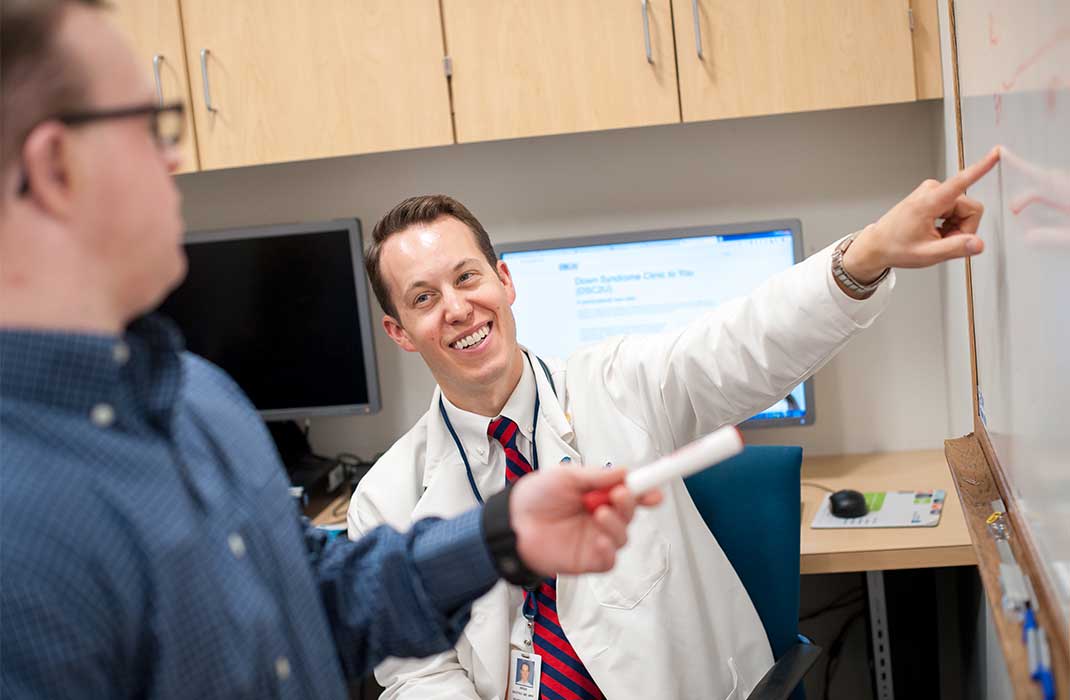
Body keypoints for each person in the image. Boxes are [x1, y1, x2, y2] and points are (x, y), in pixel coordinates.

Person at [0, 2, 661, 698]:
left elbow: (310, 595)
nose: (173, 157)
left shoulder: (203, 400)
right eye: (147, 126)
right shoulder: (19, 521)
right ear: (54, 167)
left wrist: (501, 535)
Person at [348, 158, 998, 697]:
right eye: (425, 298)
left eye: (467, 277)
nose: (459, 309)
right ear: (399, 332)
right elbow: (418, 675)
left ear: (505, 281)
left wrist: (870, 252)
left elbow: (744, 341)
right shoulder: (386, 499)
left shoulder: (616, 384)